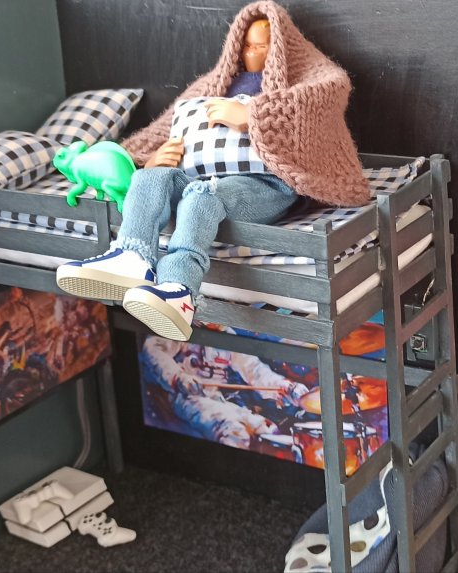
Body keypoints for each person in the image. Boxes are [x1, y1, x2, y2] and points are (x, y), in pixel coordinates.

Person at [55, 1, 368, 341]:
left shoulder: (307, 77)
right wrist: (155, 155)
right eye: (245, 46)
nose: (251, 53)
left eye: (261, 46)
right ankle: (132, 257)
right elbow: (166, 128)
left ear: (281, 46)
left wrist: (254, 116)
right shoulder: (215, 83)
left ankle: (178, 290)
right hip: (202, 173)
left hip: (265, 184)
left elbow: (327, 95)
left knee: (201, 196)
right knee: (150, 178)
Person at [140, 336, 310, 448]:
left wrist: (286, 386)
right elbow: (153, 349)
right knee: (234, 431)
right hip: (186, 398)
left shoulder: (227, 336)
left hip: (216, 398)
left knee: (266, 430)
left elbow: (254, 370)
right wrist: (178, 377)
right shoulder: (183, 325)